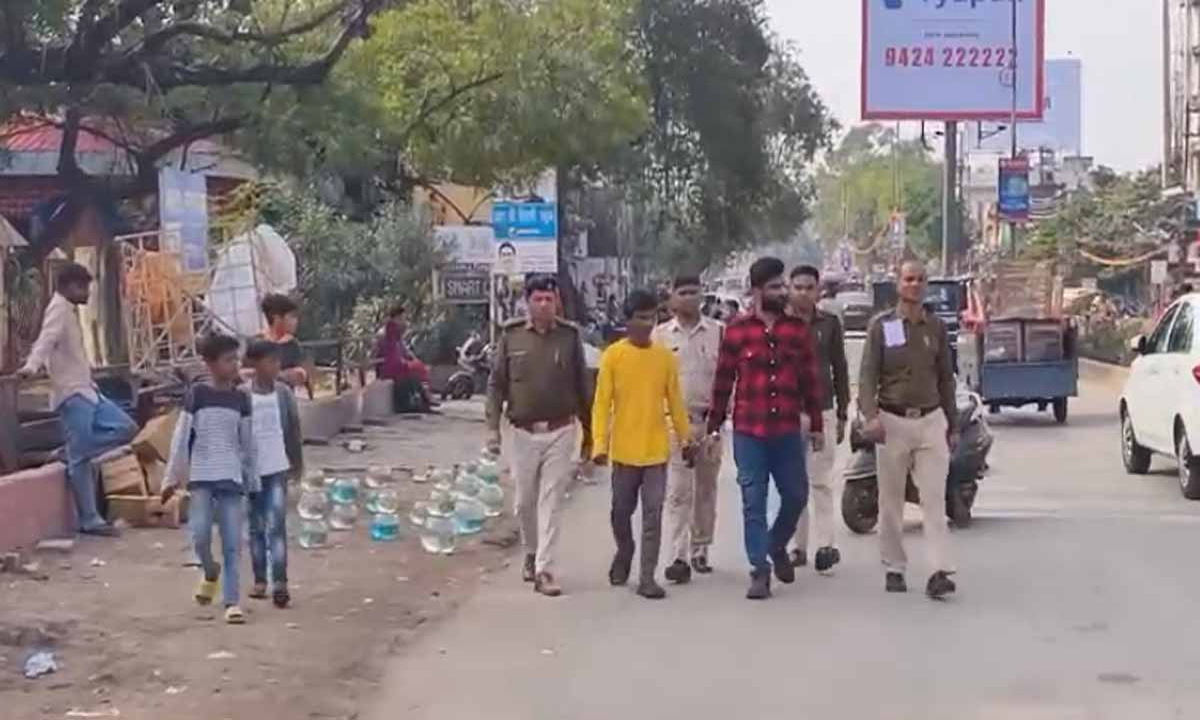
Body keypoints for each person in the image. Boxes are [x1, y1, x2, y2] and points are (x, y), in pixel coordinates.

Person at [707, 257, 824, 600]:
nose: (782, 291)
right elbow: (724, 380)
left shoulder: (796, 330)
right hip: (748, 430)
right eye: (774, 287)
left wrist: (816, 425)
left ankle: (776, 544)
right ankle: (759, 569)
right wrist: (713, 426)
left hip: (787, 429)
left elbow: (810, 381)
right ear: (757, 291)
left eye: (782, 285)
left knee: (797, 495)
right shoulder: (737, 330)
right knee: (752, 500)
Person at [486, 275, 593, 597]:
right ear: (527, 302)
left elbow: (583, 386)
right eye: (538, 299)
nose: (544, 305)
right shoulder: (511, 335)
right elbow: (496, 385)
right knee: (524, 502)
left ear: (557, 302)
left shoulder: (569, 336)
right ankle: (531, 553)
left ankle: (545, 569)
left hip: (561, 430)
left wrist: (591, 436)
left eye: (550, 299)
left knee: (551, 500)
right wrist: (492, 429)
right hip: (522, 432)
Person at [858, 259, 958, 600]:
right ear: (897, 283)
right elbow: (868, 375)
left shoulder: (936, 328)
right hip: (892, 421)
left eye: (920, 279)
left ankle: (938, 570)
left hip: (930, 420)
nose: (914, 285)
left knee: (934, 500)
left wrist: (953, 423)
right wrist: (870, 415)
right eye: (908, 279)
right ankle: (894, 566)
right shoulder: (882, 326)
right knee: (891, 499)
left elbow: (946, 377)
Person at [17, 262, 137, 537]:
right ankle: (90, 519)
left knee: (126, 428)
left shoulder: (68, 310)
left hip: (88, 391)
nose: (88, 294)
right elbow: (44, 342)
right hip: (72, 395)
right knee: (81, 459)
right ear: (70, 286)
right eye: (84, 288)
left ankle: (71, 452)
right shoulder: (58, 309)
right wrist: (30, 367)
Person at [593, 290, 691, 600]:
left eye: (651, 317)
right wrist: (599, 444)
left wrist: (686, 438)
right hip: (623, 451)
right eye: (640, 317)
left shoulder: (664, 358)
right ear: (627, 321)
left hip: (656, 452)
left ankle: (647, 577)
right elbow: (601, 404)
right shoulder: (613, 356)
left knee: (653, 514)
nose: (646, 324)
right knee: (620, 513)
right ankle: (625, 550)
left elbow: (675, 402)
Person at [162, 334, 258, 624]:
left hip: (230, 476)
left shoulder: (241, 399)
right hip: (202, 476)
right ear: (211, 363)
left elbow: (248, 443)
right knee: (200, 536)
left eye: (236, 360)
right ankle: (210, 571)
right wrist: (171, 478)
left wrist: (252, 481)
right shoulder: (198, 396)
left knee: (232, 542)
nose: (235, 365)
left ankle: (231, 601)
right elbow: (181, 438)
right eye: (229, 360)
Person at [651, 275, 724, 581]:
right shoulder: (660, 336)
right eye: (683, 293)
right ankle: (677, 555)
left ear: (702, 296)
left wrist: (720, 418)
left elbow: (727, 378)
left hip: (709, 421)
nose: (689, 298)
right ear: (672, 297)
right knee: (678, 492)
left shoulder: (718, 333)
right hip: (672, 422)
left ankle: (700, 549)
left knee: (705, 489)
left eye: (695, 293)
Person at [788, 265, 850, 573]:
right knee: (793, 483)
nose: (803, 292)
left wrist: (842, 414)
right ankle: (797, 546)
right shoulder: (779, 324)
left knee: (821, 480)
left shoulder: (830, 324)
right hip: (786, 413)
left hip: (823, 410)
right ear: (789, 288)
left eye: (808, 287)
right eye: (797, 287)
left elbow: (840, 368)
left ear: (818, 290)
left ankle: (826, 546)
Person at [243, 340, 304, 609]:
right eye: (271, 362)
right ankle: (260, 579)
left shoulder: (283, 394)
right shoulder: (243, 396)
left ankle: (280, 582)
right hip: (252, 473)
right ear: (255, 365)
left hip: (278, 468)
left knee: (276, 526)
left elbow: (293, 430)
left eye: (278, 362)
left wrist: (297, 464)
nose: (276, 367)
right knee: (256, 528)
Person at [376, 304, 439, 413]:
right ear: (395, 318)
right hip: (390, 367)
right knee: (416, 370)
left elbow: (404, 350)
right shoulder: (386, 331)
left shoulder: (395, 331)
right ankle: (427, 397)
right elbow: (384, 353)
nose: (404, 321)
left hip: (398, 364)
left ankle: (426, 399)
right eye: (402, 319)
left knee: (418, 368)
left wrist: (414, 360)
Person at [259, 294, 308, 391]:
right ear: (277, 318)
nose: (296, 321)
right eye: (292, 317)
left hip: (285, 400)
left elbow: (301, 375)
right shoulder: (257, 343)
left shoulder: (292, 344)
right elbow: (244, 374)